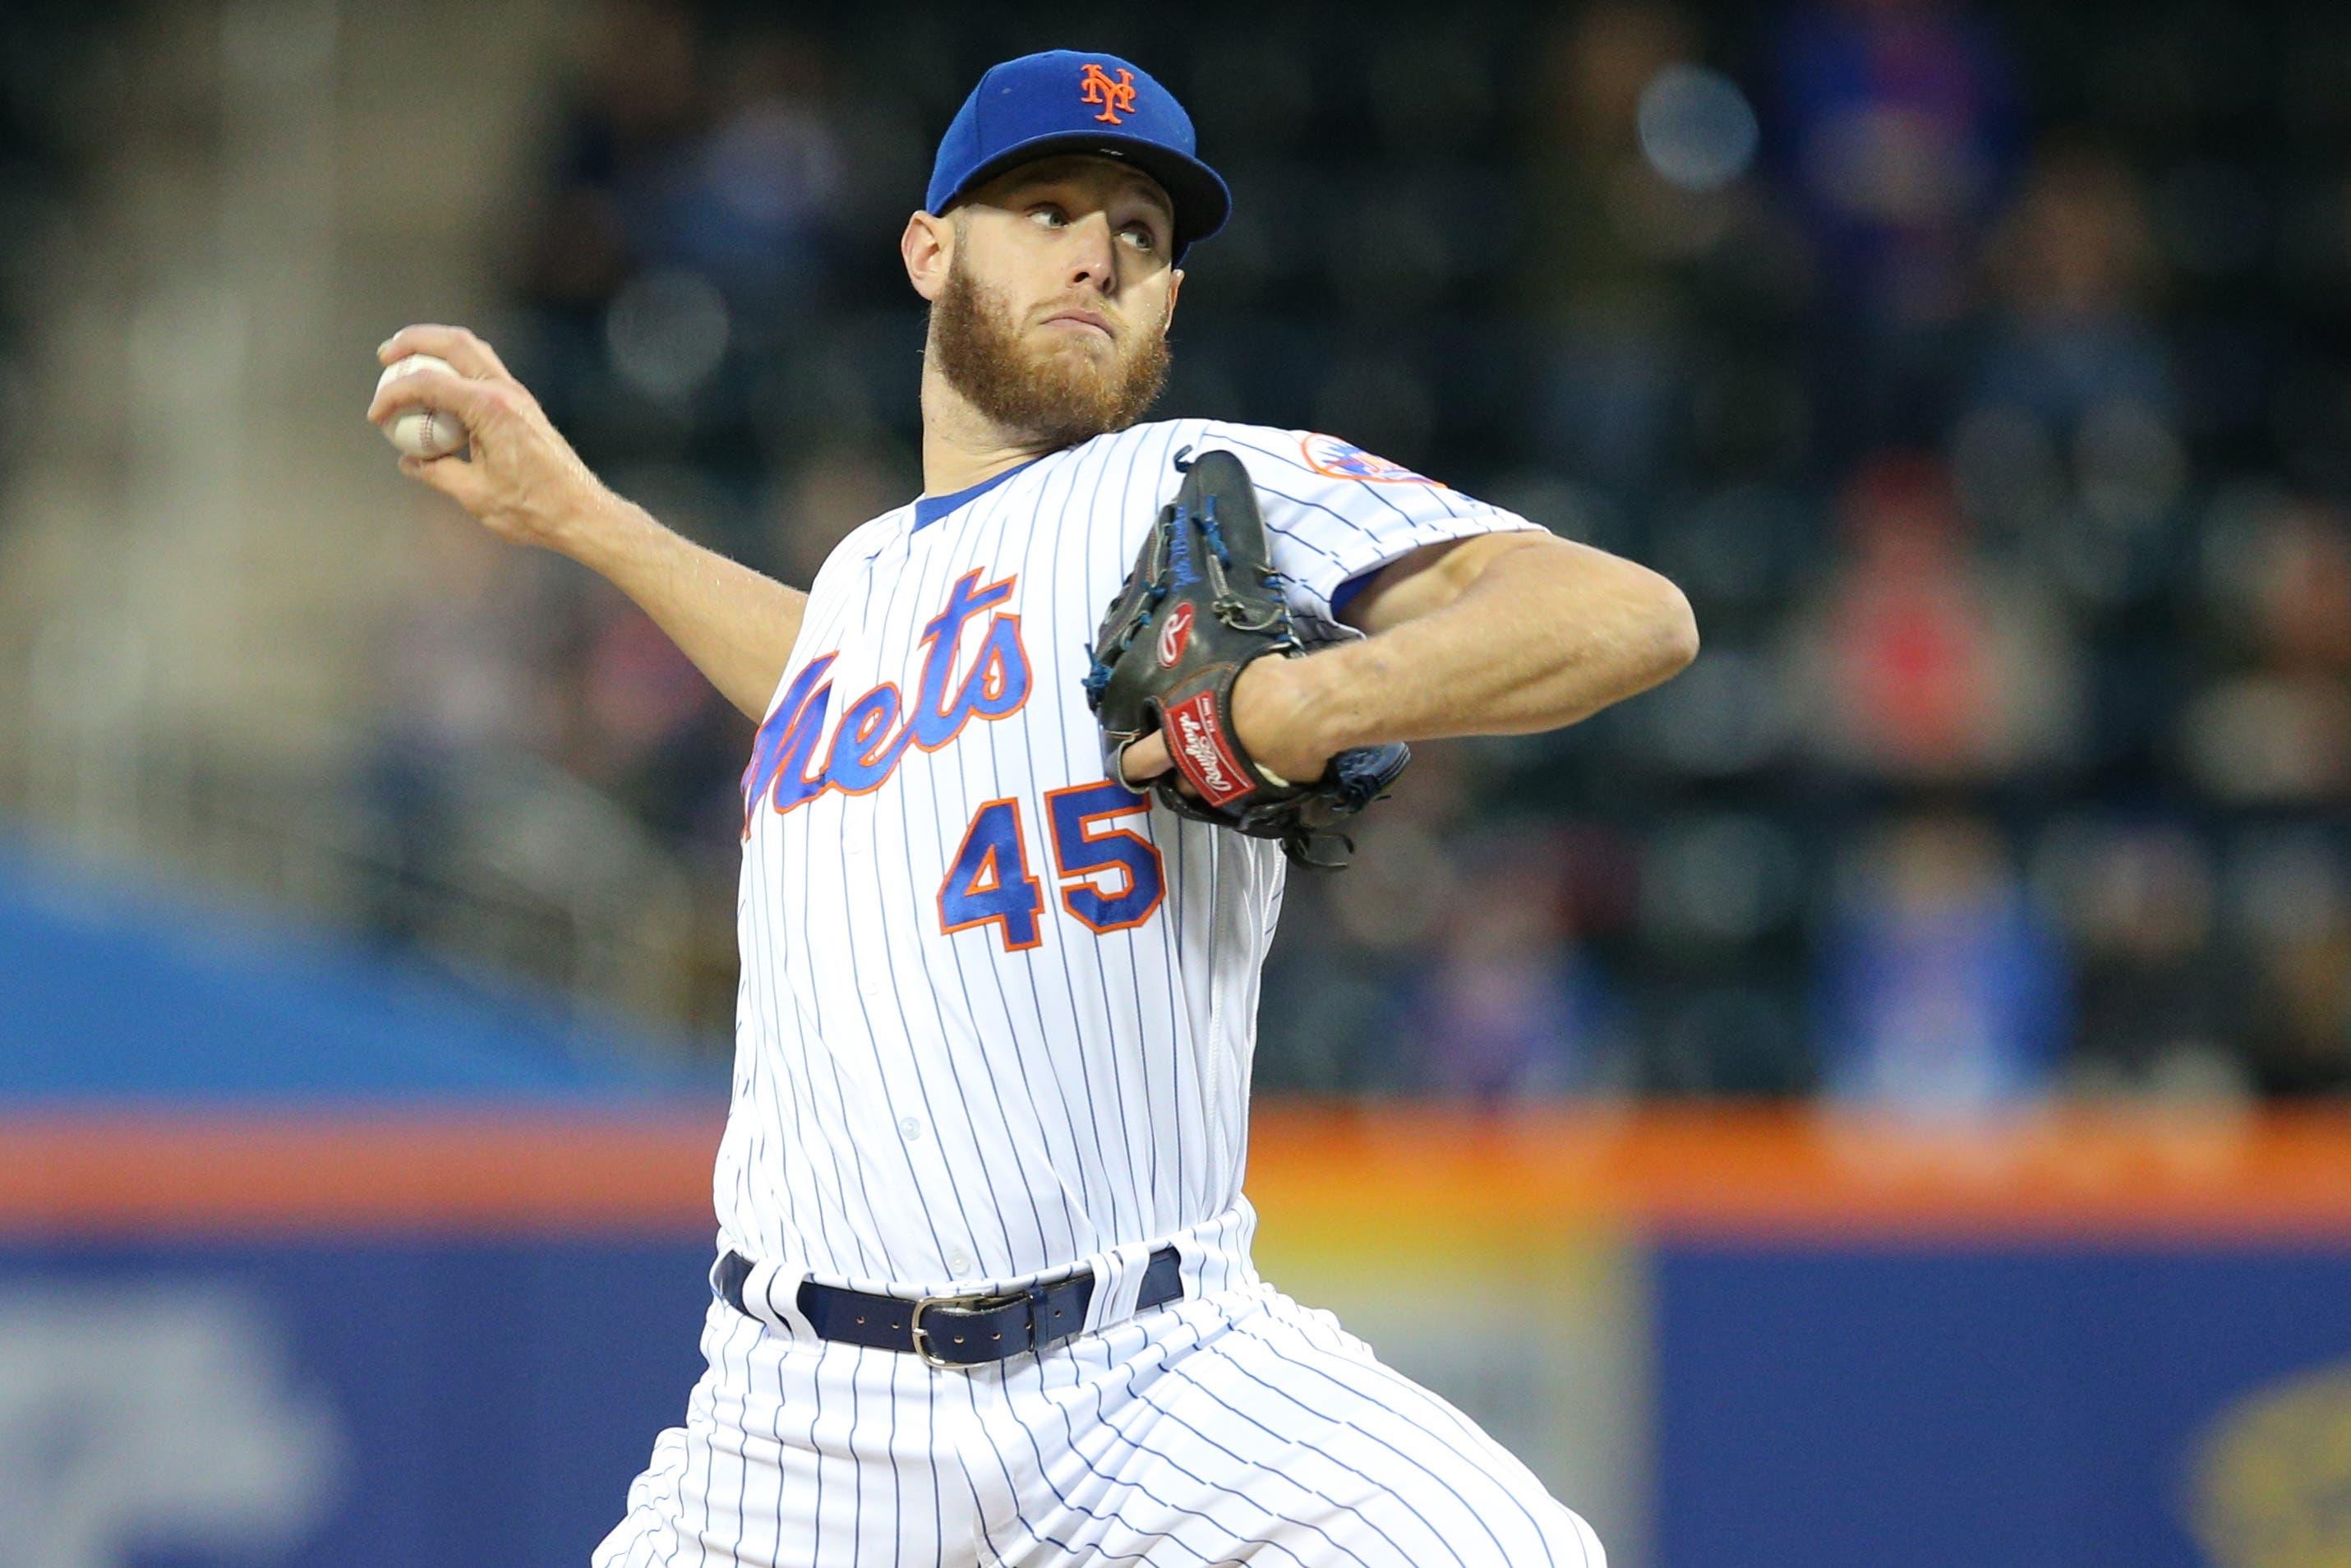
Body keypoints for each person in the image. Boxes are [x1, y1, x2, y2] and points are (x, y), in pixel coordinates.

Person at [369, 47, 1694, 1568]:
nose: (1097, 252)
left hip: (1155, 1380)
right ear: (929, 247)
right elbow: (819, 670)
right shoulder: (867, 583)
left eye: (1139, 233)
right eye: (1046, 207)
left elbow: (1627, 615)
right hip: (795, 1422)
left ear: (1172, 300)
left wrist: (1313, 700)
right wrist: (579, 519)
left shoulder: (1202, 489)